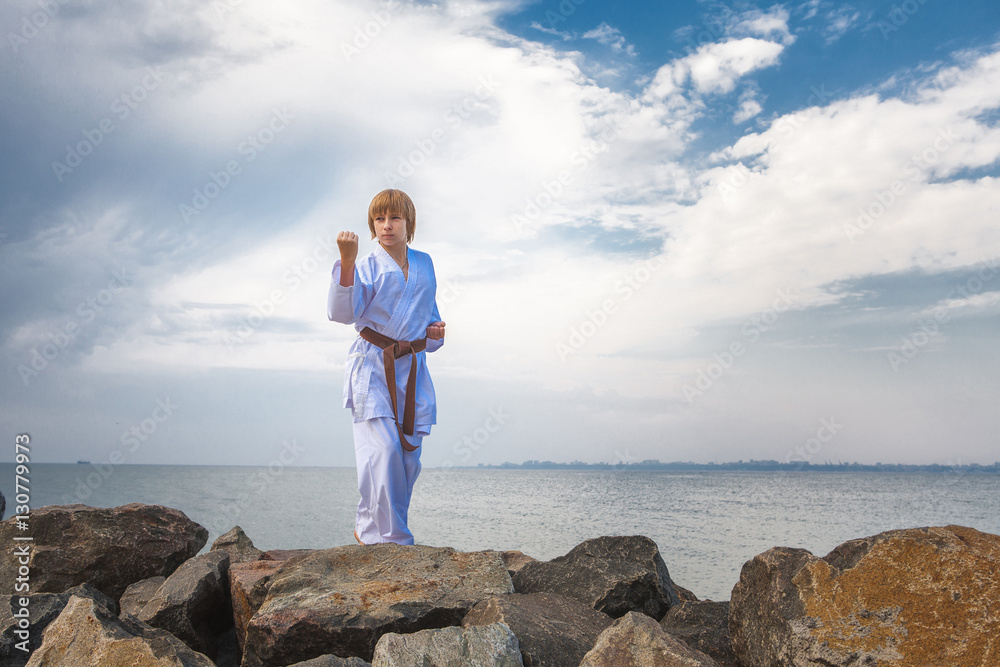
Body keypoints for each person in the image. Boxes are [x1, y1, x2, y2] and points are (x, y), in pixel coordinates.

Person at [327, 189, 446, 545]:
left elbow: (430, 314)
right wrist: (346, 262)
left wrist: (435, 334)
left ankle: (374, 526)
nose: (387, 226)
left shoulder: (425, 263)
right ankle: (388, 539)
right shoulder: (365, 265)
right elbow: (342, 313)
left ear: (409, 223)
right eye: (379, 219)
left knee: (408, 459)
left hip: (411, 368)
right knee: (383, 450)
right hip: (373, 367)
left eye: (394, 218)